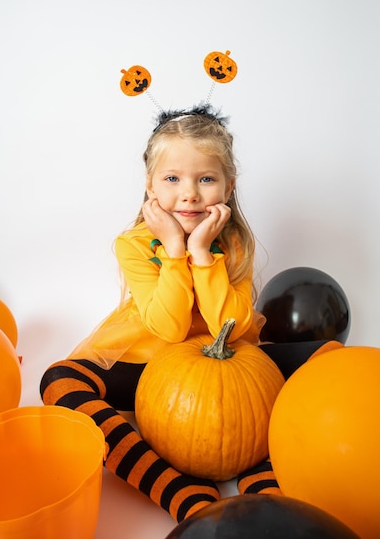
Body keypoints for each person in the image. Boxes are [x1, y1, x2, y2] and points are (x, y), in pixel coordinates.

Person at [40, 105, 342, 522]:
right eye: (172, 178)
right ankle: (172, 485)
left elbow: (229, 329)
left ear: (228, 186)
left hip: (228, 368)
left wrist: (203, 252)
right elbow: (170, 325)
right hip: (151, 366)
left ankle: (263, 482)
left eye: (205, 179)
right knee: (59, 381)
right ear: (150, 186)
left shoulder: (233, 243)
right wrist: (177, 252)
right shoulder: (134, 245)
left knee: (328, 358)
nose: (190, 194)